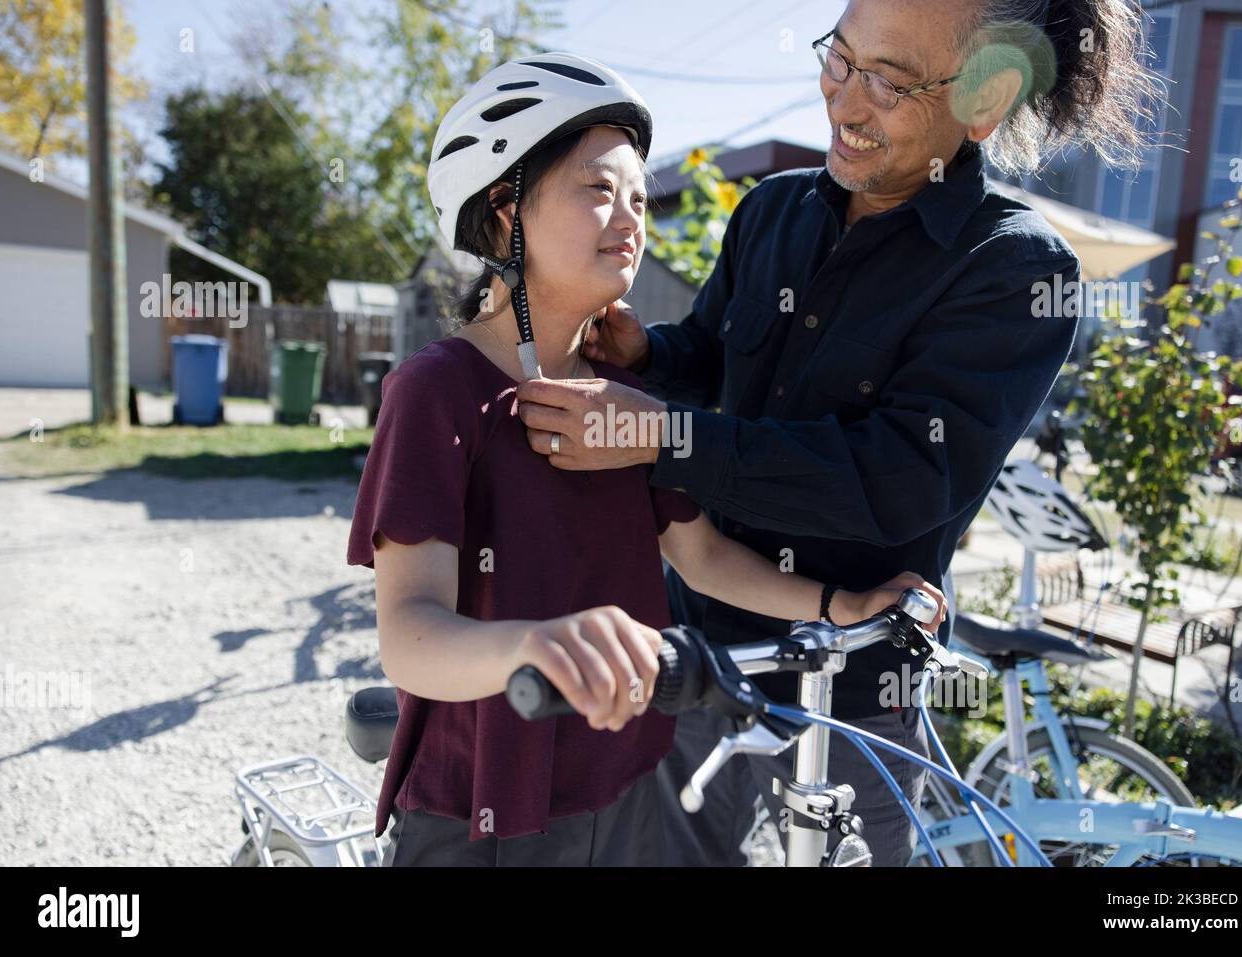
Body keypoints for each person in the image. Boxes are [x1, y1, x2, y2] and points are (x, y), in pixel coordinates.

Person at [513, 0, 1159, 866]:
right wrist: (650, 352)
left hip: (852, 692)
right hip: (695, 656)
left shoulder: (1015, 270)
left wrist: (664, 436)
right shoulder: (771, 212)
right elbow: (712, 358)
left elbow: (895, 480)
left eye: (888, 82)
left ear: (986, 100)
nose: (845, 103)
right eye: (839, 59)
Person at [345, 52, 946, 867]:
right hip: (481, 804)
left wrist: (843, 602)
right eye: (598, 190)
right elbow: (411, 634)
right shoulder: (437, 390)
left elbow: (699, 556)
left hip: (627, 783)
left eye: (638, 197)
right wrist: (535, 644)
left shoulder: (621, 399)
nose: (630, 218)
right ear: (502, 210)